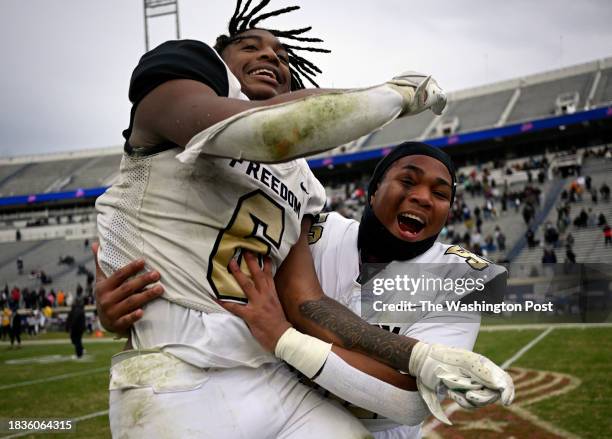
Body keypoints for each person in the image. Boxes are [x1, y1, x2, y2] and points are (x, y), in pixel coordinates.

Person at [95, 2, 508, 437]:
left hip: (269, 370)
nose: (271, 57)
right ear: (218, 61)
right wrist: (397, 95)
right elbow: (269, 131)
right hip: (176, 366)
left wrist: (417, 356)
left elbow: (306, 303)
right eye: (250, 46)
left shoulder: (301, 180)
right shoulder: (180, 84)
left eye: (281, 56)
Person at [96, 144, 513, 438]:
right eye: (409, 180)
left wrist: (285, 338)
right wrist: (124, 309)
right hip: (271, 406)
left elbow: (407, 396)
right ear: (372, 191)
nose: (423, 197)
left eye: (441, 194)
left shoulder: (457, 278)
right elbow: (217, 290)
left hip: (379, 430)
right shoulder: (312, 232)